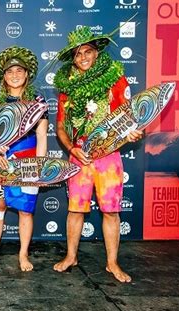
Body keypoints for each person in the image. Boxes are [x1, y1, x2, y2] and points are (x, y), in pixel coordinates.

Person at [53, 26, 142, 283]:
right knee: (75, 209)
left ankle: (112, 263)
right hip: (79, 155)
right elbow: (60, 127)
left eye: (88, 52)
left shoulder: (115, 80)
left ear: (96, 53)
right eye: (78, 54)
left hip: (108, 156)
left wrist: (133, 133)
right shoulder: (67, 89)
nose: (83, 58)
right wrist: (72, 149)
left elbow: (129, 117)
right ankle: (71, 256)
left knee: (111, 211)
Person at [0, 46, 47, 272]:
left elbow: (41, 135)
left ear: (27, 73)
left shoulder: (38, 101)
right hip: (1, 161)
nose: (15, 75)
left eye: (19, 70)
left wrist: (40, 166)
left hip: (28, 163)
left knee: (25, 210)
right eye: (10, 71)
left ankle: (23, 255)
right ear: (3, 76)